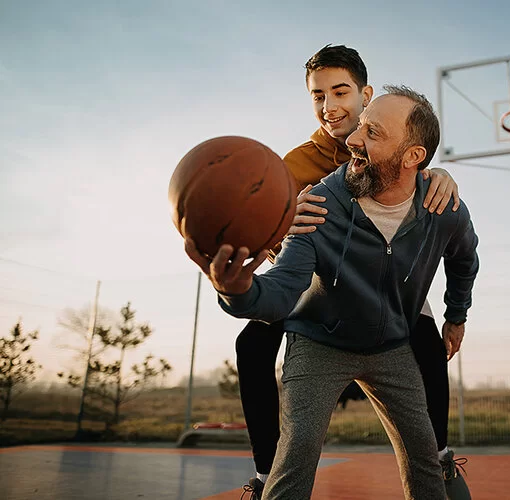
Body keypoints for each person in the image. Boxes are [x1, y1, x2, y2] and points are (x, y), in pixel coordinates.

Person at [185, 84, 479, 499]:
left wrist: (456, 314)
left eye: (372, 133)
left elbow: (465, 259)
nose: (354, 140)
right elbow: (282, 291)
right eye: (360, 127)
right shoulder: (319, 204)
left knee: (426, 458)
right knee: (297, 451)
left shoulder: (441, 208)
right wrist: (238, 290)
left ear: (414, 156)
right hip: (318, 342)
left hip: (391, 346)